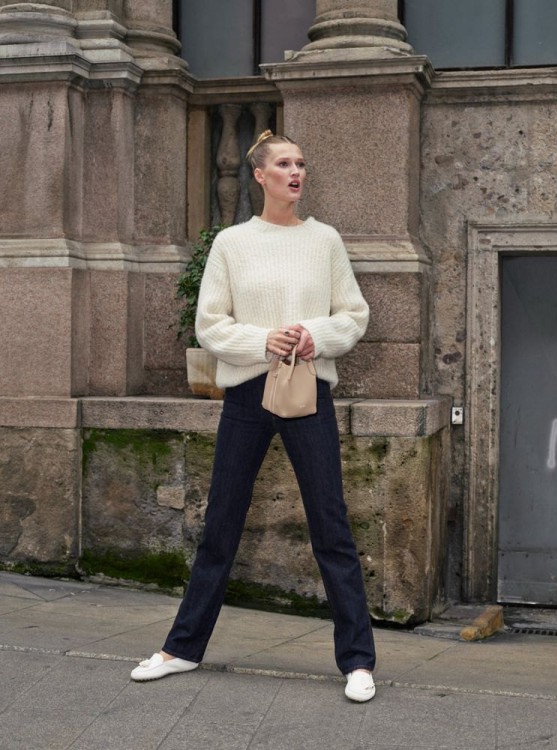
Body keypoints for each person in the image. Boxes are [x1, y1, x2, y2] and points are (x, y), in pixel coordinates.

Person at [131, 130, 376, 702]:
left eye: (301, 164)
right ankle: (182, 648)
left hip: (308, 392)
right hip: (247, 395)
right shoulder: (232, 243)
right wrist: (265, 340)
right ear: (260, 176)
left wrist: (313, 335)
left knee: (331, 526)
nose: (296, 172)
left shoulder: (325, 240)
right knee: (221, 524)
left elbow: (354, 314)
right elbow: (210, 324)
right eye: (284, 164)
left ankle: (358, 661)